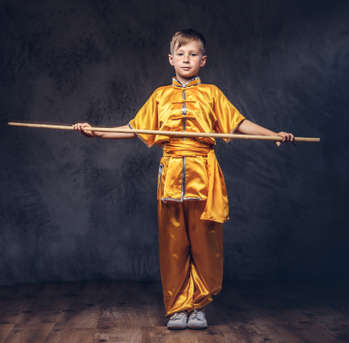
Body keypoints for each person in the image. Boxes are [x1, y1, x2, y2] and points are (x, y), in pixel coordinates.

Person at [73, 28, 294, 330]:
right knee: (173, 245)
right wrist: (96, 131)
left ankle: (199, 305)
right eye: (180, 54)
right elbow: (134, 128)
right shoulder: (160, 96)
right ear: (170, 59)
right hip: (172, 176)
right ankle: (177, 308)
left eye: (193, 54)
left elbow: (238, 123)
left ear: (203, 60)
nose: (186, 59)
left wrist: (273, 136)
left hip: (205, 176)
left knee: (205, 243)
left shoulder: (212, 93)